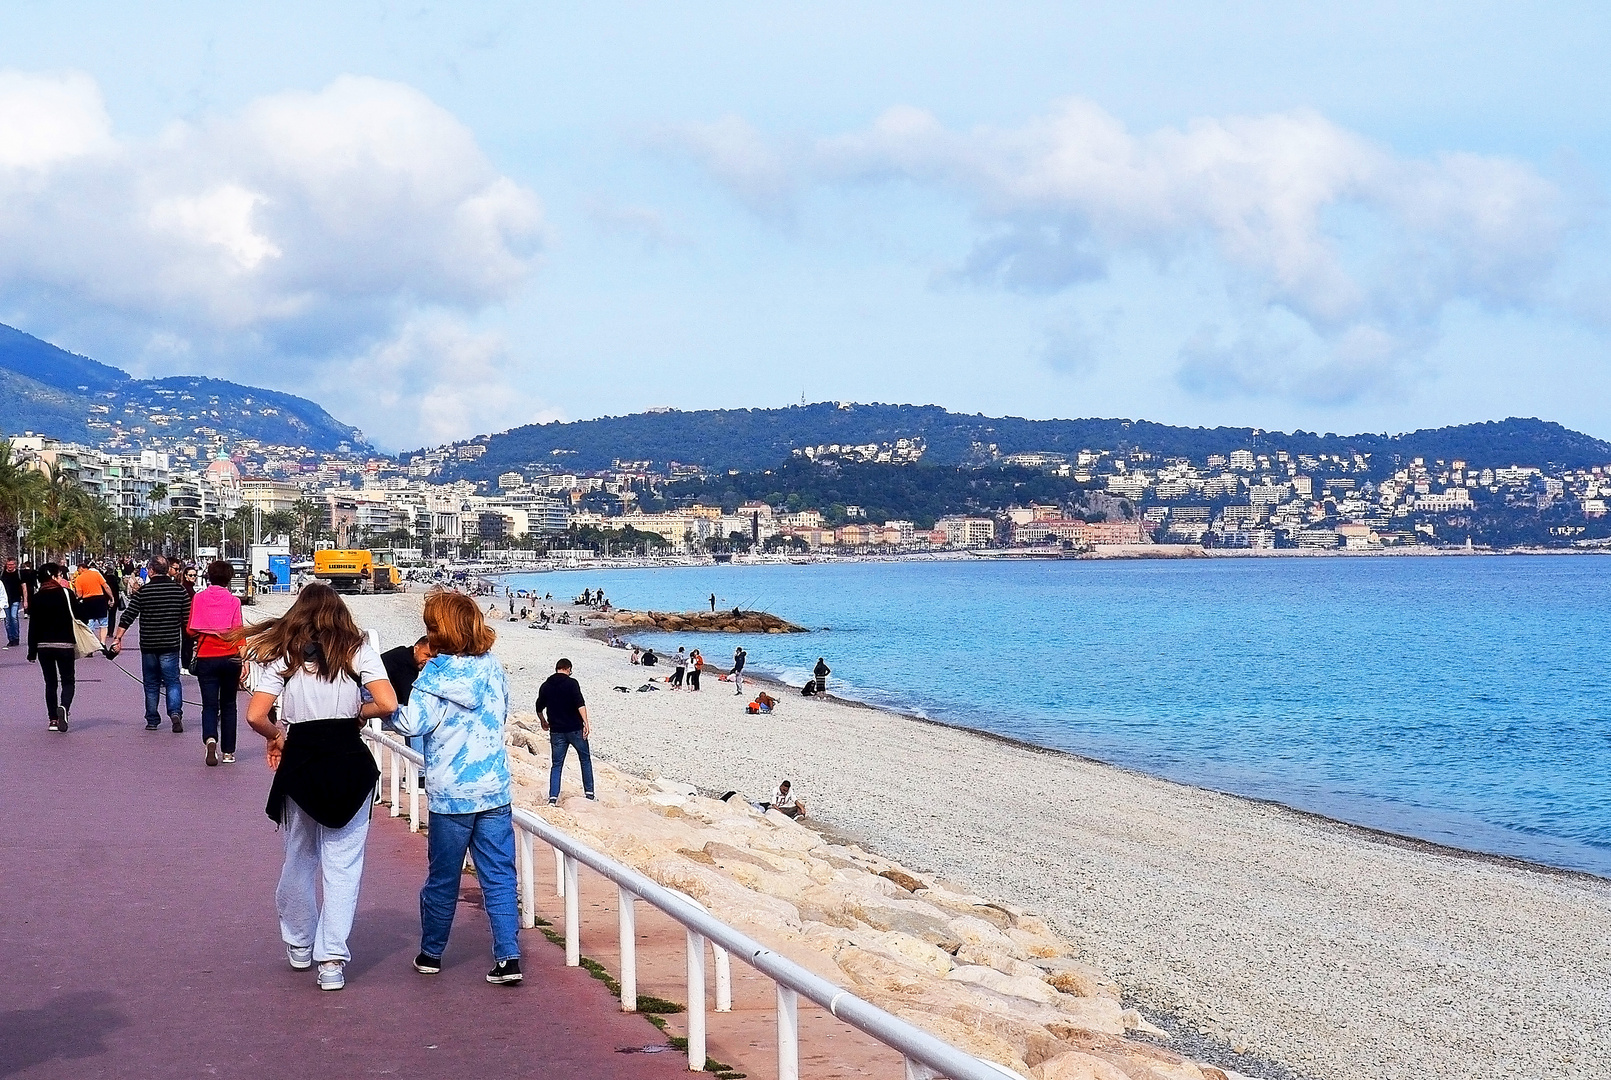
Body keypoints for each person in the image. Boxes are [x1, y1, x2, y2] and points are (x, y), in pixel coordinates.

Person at [237, 584, 397, 992]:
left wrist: (278, 736)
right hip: (348, 759)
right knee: (343, 865)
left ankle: (299, 942)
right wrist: (356, 713)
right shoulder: (356, 647)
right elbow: (388, 703)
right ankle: (331, 962)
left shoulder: (284, 653)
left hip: (302, 760)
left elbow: (256, 716)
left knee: (299, 857)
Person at [392, 592, 522, 986]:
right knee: (499, 875)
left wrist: (382, 707)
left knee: (443, 877)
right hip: (494, 788)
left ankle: (432, 952)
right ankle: (508, 958)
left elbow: (414, 725)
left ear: (440, 631)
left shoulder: (432, 676)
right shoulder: (492, 667)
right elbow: (500, 712)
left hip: (451, 794)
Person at [110, 556, 193, 732]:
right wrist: (194, 641)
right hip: (170, 643)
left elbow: (128, 616)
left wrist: (118, 638)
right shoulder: (179, 591)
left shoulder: (144, 591)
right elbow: (188, 620)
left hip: (148, 644)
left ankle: (152, 719)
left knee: (151, 682)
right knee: (172, 681)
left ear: (151, 570)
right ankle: (175, 712)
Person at [188, 560, 244, 766]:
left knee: (209, 704)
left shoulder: (199, 598)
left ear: (208, 576)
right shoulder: (234, 601)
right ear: (229, 579)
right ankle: (228, 752)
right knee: (229, 704)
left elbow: (191, 630)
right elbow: (239, 632)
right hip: (230, 657)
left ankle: (210, 738)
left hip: (206, 657)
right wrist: (244, 660)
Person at [28, 563, 83, 732]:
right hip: (65, 644)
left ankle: (52, 719)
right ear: (52, 576)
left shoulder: (37, 598)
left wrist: (32, 651)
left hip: (43, 646)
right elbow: (80, 616)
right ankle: (64, 707)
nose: (62, 578)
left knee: (50, 683)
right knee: (68, 681)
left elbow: (33, 625)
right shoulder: (66, 594)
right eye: (60, 575)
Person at [535, 658, 594, 804]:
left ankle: (553, 798)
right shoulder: (572, 683)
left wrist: (543, 720)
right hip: (575, 728)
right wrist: (586, 722)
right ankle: (590, 794)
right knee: (585, 759)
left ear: (557, 668)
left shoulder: (546, 685)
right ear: (568, 669)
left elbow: (538, 707)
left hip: (556, 730)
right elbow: (580, 703)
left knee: (557, 764)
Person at [72, 558, 115, 645]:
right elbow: (106, 586)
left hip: (88, 601)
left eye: (78, 570)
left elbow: (79, 595)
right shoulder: (96, 574)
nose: (78, 572)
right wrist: (111, 597)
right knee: (103, 624)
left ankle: (91, 645)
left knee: (90, 624)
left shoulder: (79, 579)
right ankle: (102, 642)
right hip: (100, 600)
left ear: (81, 568)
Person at [3, 556, 24, 648]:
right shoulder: (2, 574)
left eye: (11, 565)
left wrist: (25, 600)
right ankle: (10, 639)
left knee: (13, 617)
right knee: (7, 620)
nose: (10, 566)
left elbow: (24, 587)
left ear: (15, 565)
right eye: (8, 565)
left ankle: (16, 638)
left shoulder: (19, 574)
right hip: (5, 601)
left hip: (15, 599)